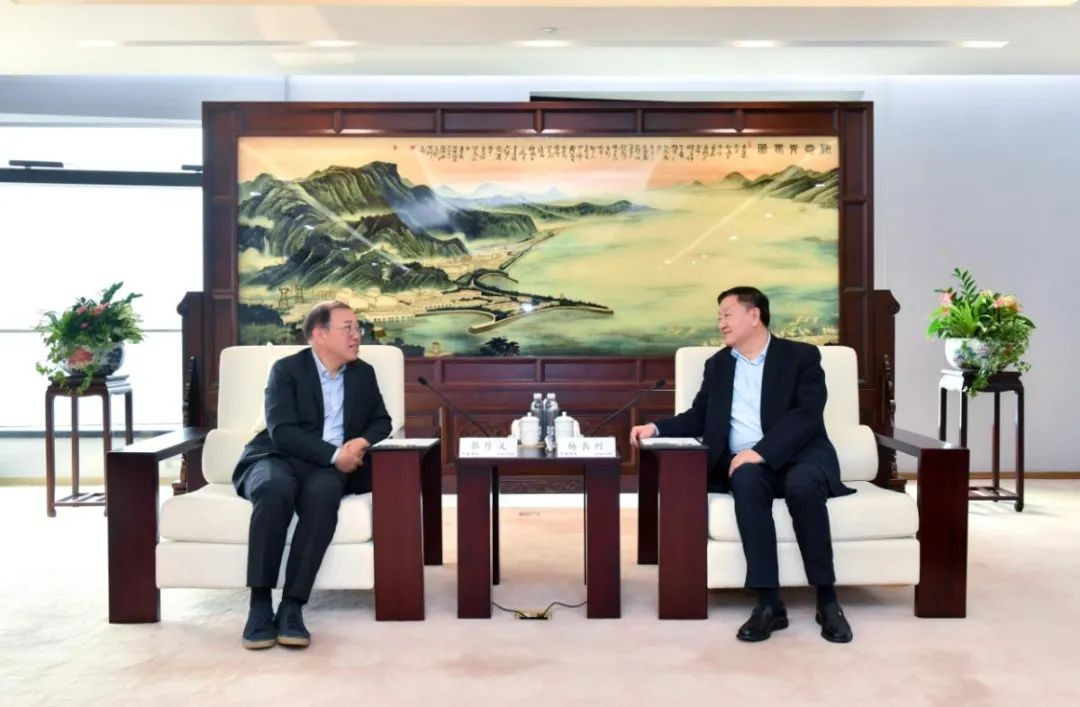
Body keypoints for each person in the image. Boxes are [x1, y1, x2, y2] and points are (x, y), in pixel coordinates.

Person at [630, 286, 855, 643]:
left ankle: (827, 600)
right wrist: (656, 428)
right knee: (745, 481)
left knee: (803, 487)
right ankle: (769, 603)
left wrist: (761, 451)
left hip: (800, 456)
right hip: (747, 465)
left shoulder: (801, 357)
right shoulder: (718, 365)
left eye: (727, 314)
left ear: (754, 316)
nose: (721, 322)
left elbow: (806, 415)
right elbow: (699, 416)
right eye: (719, 316)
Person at [233, 300, 391, 649]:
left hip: (325, 469)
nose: (357, 335)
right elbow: (282, 431)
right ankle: (260, 604)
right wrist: (336, 455)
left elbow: (382, 421)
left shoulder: (362, 374)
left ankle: (292, 606)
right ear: (320, 335)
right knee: (274, 490)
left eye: (358, 328)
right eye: (347, 328)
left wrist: (359, 443)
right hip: (276, 456)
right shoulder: (286, 370)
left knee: (324, 495)